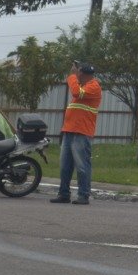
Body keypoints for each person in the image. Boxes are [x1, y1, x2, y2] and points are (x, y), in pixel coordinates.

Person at [52, 61, 101, 206]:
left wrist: (72, 76)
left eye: (78, 72)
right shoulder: (83, 86)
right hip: (69, 131)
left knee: (82, 166)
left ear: (81, 74)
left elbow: (75, 92)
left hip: (81, 132)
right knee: (65, 166)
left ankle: (83, 195)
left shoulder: (93, 87)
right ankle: (64, 194)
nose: (76, 75)